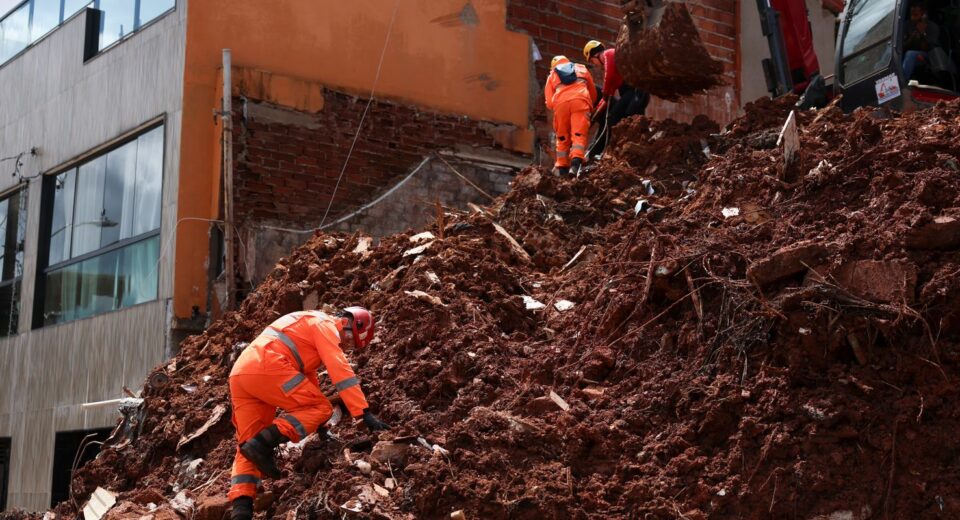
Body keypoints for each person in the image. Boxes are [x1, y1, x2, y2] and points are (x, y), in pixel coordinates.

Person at [227, 307, 389, 520]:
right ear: (348, 323)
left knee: (246, 446)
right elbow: (339, 368)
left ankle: (241, 512)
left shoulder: (307, 328)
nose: (347, 346)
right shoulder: (326, 325)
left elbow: (308, 382)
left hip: (242, 374)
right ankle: (264, 443)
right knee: (322, 408)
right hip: (267, 365)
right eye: (350, 340)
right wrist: (363, 412)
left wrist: (321, 427)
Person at [583, 40, 650, 156]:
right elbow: (607, 97)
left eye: (592, 61)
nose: (595, 64)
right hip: (631, 94)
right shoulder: (614, 67)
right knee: (616, 117)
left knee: (624, 118)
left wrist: (604, 91)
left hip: (636, 93)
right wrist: (594, 115)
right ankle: (610, 151)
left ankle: (624, 149)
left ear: (595, 55)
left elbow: (608, 80)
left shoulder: (608, 54)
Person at [544, 55, 596, 176]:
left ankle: (562, 170)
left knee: (562, 137)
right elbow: (592, 92)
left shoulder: (552, 75)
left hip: (561, 105)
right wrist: (588, 106)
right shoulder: (582, 68)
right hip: (580, 101)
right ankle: (575, 166)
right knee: (579, 134)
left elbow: (550, 103)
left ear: (553, 67)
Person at [902, 3, 941, 81]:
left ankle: (902, 80)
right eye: (912, 7)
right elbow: (901, 46)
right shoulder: (907, 25)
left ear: (923, 13)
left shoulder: (932, 27)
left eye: (916, 7)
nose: (913, 9)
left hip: (928, 56)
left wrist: (922, 33)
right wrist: (912, 37)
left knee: (911, 54)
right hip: (907, 56)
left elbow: (928, 48)